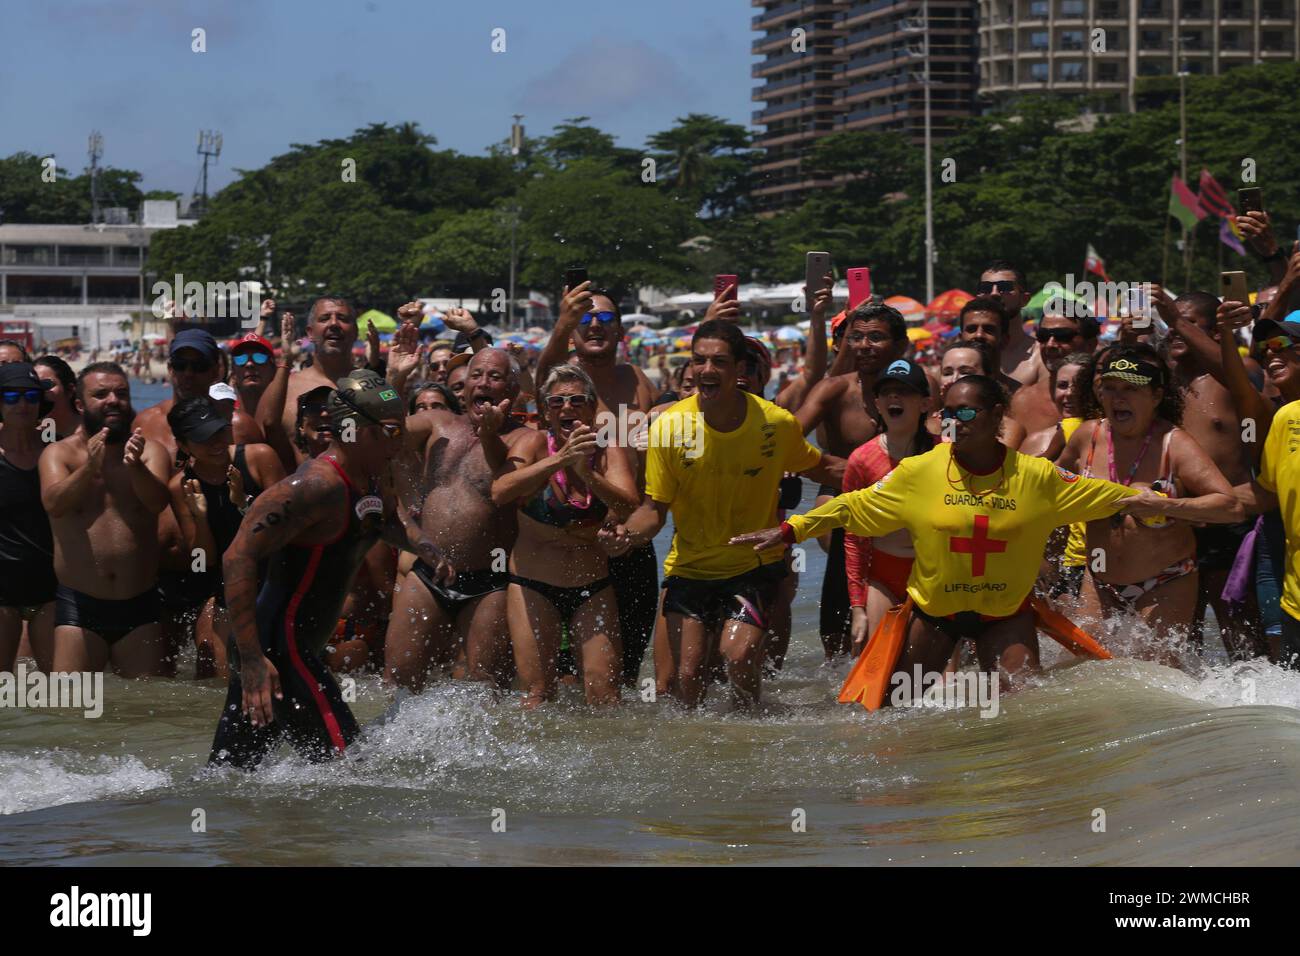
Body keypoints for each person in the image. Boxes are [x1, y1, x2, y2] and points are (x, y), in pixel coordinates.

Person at [733, 375, 1172, 692]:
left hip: (1005, 615)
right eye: (948, 413)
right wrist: (792, 529)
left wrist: (1157, 501)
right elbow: (855, 505)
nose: (954, 422)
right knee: (893, 718)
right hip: (935, 614)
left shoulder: (1037, 477)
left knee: (1025, 713)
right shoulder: (919, 472)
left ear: (997, 415)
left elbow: (1104, 495)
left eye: (966, 413)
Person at [208, 369, 453, 769]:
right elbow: (238, 556)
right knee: (351, 773)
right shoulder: (313, 487)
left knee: (233, 776)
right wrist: (252, 661)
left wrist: (427, 549)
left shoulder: (373, 474)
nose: (401, 441)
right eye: (391, 431)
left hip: (291, 650)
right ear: (357, 430)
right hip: (278, 653)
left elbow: (386, 520)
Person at [608, 320, 846, 708]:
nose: (706, 370)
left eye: (719, 361)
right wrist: (626, 535)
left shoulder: (773, 423)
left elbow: (823, 468)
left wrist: (891, 474)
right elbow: (653, 511)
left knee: (738, 657)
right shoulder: (668, 428)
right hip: (691, 568)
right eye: (699, 360)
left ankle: (752, 735)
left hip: (752, 567)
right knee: (687, 680)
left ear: (740, 371)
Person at [1058, 346, 1245, 664]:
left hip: (1165, 579)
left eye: (1131, 389)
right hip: (1100, 577)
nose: (1119, 399)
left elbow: (1230, 506)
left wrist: (1167, 507)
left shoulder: (1175, 443)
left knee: (1151, 677)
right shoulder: (1086, 436)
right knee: (1081, 671)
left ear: (1156, 396)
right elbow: (1051, 492)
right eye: (1111, 388)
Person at [384, 347, 533, 690]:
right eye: (476, 375)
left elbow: (504, 487)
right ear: (463, 388)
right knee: (398, 683)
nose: (483, 383)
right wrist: (395, 379)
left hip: (490, 582)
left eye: (494, 377)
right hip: (428, 575)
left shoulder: (526, 437)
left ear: (512, 391)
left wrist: (489, 434)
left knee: (485, 691)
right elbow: (388, 434)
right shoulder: (439, 423)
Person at [535, 282, 661, 687]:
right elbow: (542, 374)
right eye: (585, 319)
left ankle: (613, 748)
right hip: (576, 542)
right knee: (567, 676)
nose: (595, 325)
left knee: (624, 674)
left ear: (621, 330)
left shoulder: (637, 380)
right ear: (571, 330)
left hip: (632, 536)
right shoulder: (562, 384)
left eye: (605, 318)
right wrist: (562, 322)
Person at [492, 365, 639, 706]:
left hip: (593, 586)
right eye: (556, 401)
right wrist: (559, 460)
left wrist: (586, 473)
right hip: (532, 584)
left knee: (605, 697)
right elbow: (500, 492)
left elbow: (629, 505)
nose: (567, 408)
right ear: (545, 411)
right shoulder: (531, 443)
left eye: (577, 400)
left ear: (592, 408)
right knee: (537, 696)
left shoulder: (608, 451)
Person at [37, 363, 173, 676]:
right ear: (80, 404)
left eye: (121, 393)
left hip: (139, 603)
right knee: (72, 712)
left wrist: (136, 467)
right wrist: (89, 468)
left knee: (145, 711)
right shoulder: (59, 454)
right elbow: (54, 504)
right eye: (101, 394)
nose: (113, 400)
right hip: (80, 606)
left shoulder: (149, 451)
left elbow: (157, 504)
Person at [795, 301, 910, 657]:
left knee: (915, 617)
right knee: (837, 632)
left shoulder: (921, 388)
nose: (863, 345)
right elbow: (785, 441)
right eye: (855, 337)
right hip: (853, 516)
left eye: (876, 337)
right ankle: (844, 699)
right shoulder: (834, 390)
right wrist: (827, 467)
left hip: (908, 519)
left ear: (901, 345)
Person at [167, 397, 285, 679]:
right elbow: (201, 562)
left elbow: (288, 530)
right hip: (230, 586)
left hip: (277, 580)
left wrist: (244, 502)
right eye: (203, 438)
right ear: (183, 446)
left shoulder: (259, 458)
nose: (216, 442)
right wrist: (200, 518)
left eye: (219, 432)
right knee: (222, 687)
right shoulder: (180, 486)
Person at [843, 359, 933, 655]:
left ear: (924, 404)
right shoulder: (861, 460)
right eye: (887, 392)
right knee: (878, 662)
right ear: (877, 404)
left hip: (936, 573)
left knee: (945, 684)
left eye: (904, 392)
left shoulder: (946, 453)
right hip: (883, 575)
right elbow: (854, 538)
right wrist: (857, 607)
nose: (894, 398)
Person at [0, 363, 57, 672]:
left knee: (64, 693)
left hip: (50, 586)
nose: (22, 404)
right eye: (10, 396)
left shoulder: (57, 451)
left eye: (31, 396)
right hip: (2, 589)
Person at [927, 340, 1027, 449]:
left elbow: (956, 456)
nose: (954, 379)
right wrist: (949, 414)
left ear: (989, 377)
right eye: (947, 373)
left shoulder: (1008, 427)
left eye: (966, 372)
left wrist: (949, 415)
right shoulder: (930, 424)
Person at [976, 260, 1038, 385]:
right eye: (986, 288)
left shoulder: (1041, 357)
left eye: (1005, 287)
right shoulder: (958, 357)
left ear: (1024, 299)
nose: (994, 294)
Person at [33, 355, 82, 439]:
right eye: (33, 386)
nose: (39, 392)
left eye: (46, 384)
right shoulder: (32, 439)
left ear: (70, 390)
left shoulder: (94, 432)